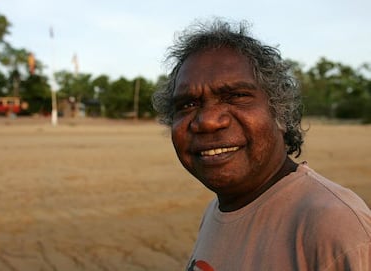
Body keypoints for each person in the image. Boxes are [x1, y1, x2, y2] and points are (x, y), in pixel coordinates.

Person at [152, 19, 371, 271]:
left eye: (236, 96)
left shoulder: (335, 226)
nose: (209, 121)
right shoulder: (218, 211)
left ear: (280, 112)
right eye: (188, 104)